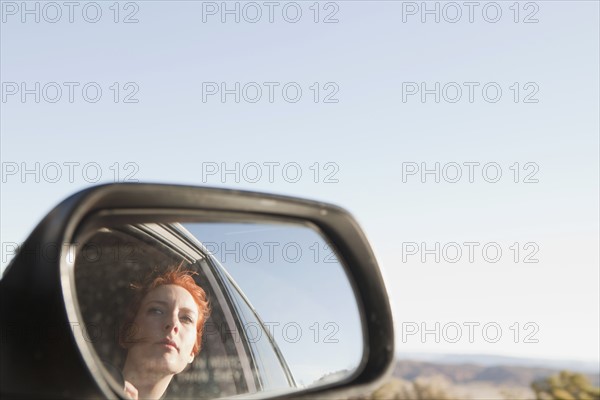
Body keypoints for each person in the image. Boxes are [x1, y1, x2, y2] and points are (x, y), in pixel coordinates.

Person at [118, 265, 210, 399]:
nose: (173, 323)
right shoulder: (81, 380)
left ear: (192, 352)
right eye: (157, 311)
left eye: (186, 318)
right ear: (128, 331)